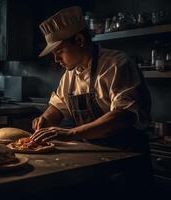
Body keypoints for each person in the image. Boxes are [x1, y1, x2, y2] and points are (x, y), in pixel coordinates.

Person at [30, 6, 153, 195]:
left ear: (79, 40)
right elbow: (57, 107)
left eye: (59, 51)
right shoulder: (70, 75)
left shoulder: (116, 64)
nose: (56, 59)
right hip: (93, 157)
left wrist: (70, 134)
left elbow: (122, 116)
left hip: (125, 158)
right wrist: (44, 121)